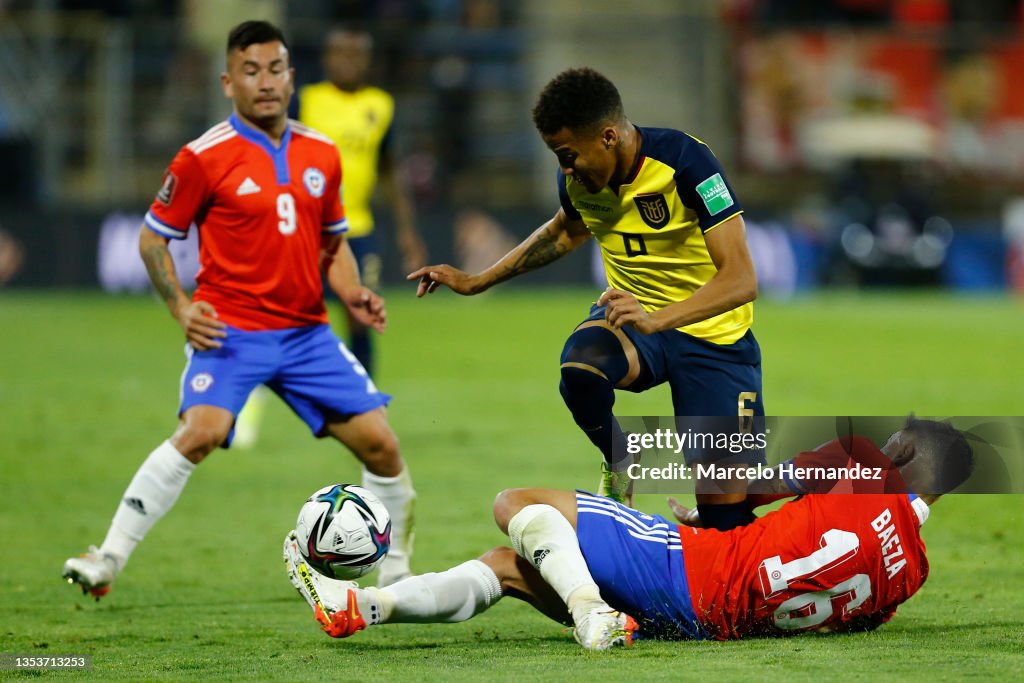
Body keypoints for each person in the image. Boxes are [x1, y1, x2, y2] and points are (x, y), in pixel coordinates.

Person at [62, 20, 416, 600]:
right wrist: (180, 307)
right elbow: (154, 240)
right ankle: (107, 558)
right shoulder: (202, 158)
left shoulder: (321, 154)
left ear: (292, 78)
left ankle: (399, 573)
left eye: (275, 69)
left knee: (383, 444)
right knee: (201, 431)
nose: (265, 82)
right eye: (251, 71)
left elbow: (333, 243)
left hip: (306, 333)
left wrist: (351, 291)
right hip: (232, 330)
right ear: (229, 82)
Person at [408, 68, 763, 530]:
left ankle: (713, 516)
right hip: (635, 324)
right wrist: (478, 281)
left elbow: (741, 279)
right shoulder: (578, 181)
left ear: (609, 137)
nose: (566, 168)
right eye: (559, 157)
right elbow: (563, 232)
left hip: (715, 339)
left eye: (569, 155)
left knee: (727, 520)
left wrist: (659, 319)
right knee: (581, 367)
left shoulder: (687, 162)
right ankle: (620, 463)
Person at [283, 418, 972, 650]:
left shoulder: (861, 462)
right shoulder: (911, 575)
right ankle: (367, 605)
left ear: (904, 457)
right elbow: (848, 620)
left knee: (515, 502)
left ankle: (592, 616)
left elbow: (757, 484)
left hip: (691, 568)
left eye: (899, 437)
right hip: (716, 624)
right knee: (514, 564)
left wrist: (708, 514)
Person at [299, 26, 426, 375]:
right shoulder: (305, 100)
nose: (348, 62)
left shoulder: (380, 106)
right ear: (327, 58)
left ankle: (364, 401)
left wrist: (407, 232)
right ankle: (256, 403)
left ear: (368, 61)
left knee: (361, 316)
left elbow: (389, 170)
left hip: (358, 228)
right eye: (341, 53)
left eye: (356, 55)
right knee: (292, 321)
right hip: (307, 230)